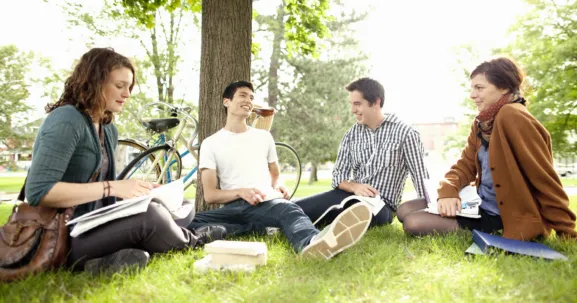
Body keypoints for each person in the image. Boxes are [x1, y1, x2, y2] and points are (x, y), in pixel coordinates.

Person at [25, 47, 225, 275]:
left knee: (180, 207)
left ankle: (104, 262)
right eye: (120, 86)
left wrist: (139, 191)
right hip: (64, 235)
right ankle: (191, 240)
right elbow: (39, 191)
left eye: (129, 87)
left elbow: (104, 194)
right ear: (94, 82)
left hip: (96, 224)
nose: (127, 94)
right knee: (151, 217)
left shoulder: (108, 128)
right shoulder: (66, 119)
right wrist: (113, 187)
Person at [396, 57, 577, 243]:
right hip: (478, 204)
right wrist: (448, 191)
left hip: (501, 215)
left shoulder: (513, 117)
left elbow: (544, 179)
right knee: (404, 209)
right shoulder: (482, 123)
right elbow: (464, 166)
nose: (472, 95)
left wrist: (568, 232)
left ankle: (489, 229)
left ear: (503, 88)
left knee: (413, 223)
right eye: (472, 88)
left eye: (479, 88)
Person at [188, 81, 373, 259]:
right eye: (242, 95)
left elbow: (275, 176)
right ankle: (258, 229)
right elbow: (211, 196)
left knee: (289, 210)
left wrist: (280, 185)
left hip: (264, 204)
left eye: (251, 97)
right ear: (226, 101)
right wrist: (241, 192)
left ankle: (312, 243)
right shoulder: (211, 143)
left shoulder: (264, 137)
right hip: (232, 208)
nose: (248, 101)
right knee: (194, 222)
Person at [295, 77, 430, 227]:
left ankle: (324, 223)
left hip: (381, 207)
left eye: (357, 104)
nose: (353, 110)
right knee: (295, 207)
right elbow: (338, 177)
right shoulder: (351, 135)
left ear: (376, 102)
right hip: (349, 196)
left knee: (348, 211)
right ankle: (282, 221)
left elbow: (421, 179)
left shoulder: (406, 133)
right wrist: (355, 187)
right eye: (351, 104)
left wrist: (430, 213)